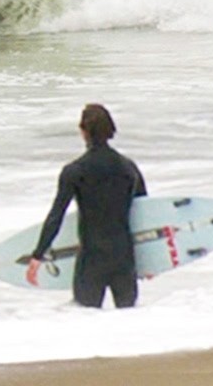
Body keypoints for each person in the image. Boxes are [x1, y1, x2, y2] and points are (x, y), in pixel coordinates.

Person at [26, 103, 148, 308]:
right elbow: (146, 214)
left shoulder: (75, 171)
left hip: (92, 259)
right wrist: (152, 259)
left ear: (83, 131)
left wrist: (38, 255)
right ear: (110, 130)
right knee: (128, 320)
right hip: (124, 258)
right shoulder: (129, 168)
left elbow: (56, 215)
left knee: (86, 320)